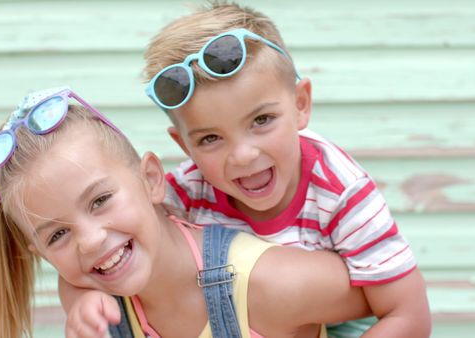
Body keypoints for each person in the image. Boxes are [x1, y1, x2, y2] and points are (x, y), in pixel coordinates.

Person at [0, 87, 373, 338]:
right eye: (58, 235)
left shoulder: (268, 284)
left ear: (151, 179)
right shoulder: (99, 310)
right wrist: (77, 305)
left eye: (100, 201)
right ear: (40, 252)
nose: (90, 240)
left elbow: (386, 306)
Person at [142, 2, 431, 338]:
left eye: (261, 120)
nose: (243, 155)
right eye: (210, 138)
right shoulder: (187, 191)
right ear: (184, 146)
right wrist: (84, 298)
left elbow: (406, 314)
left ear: (300, 104)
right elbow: (116, 239)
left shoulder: (340, 190)